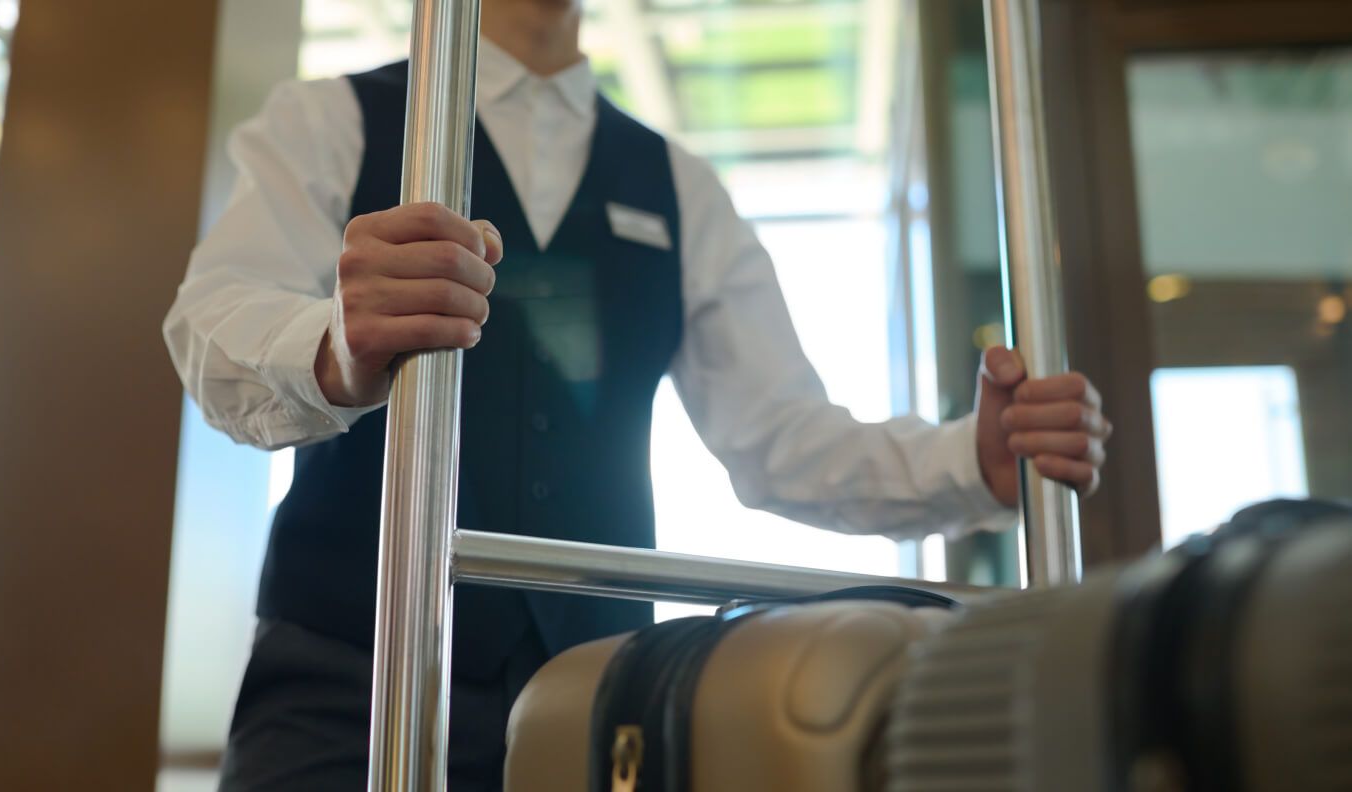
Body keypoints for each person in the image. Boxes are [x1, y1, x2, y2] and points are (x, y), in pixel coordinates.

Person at [163, 0, 1111, 787]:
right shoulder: (331, 121)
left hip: (594, 699)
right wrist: (336, 343)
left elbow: (780, 436)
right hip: (343, 687)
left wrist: (971, 463)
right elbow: (208, 328)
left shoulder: (680, 185)